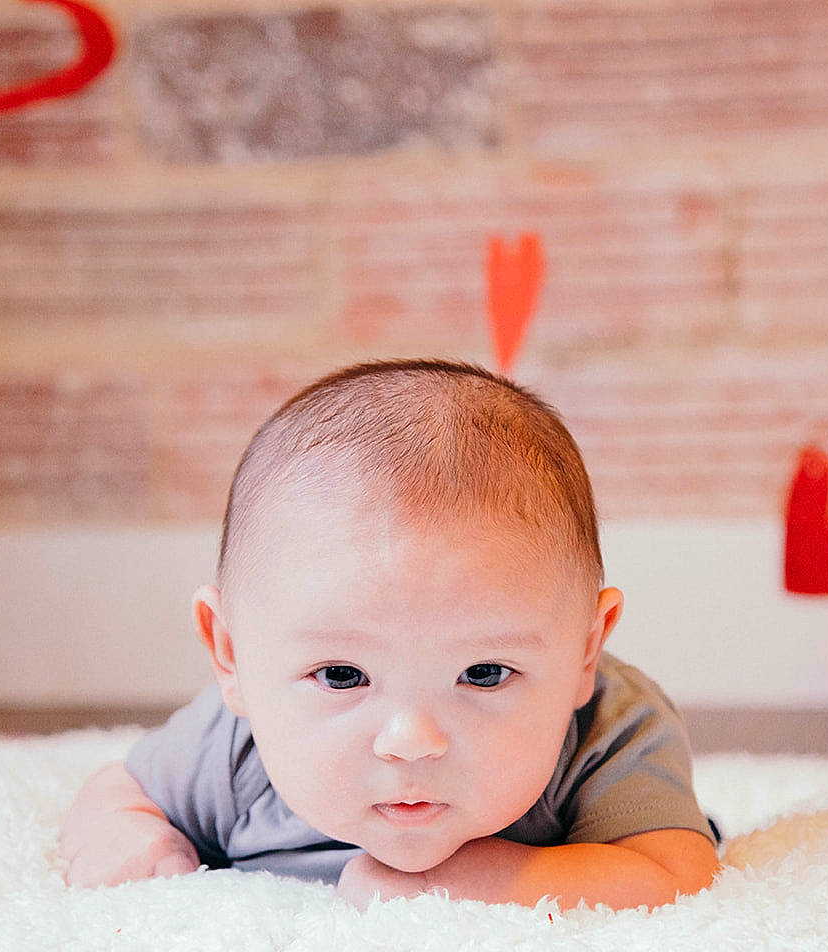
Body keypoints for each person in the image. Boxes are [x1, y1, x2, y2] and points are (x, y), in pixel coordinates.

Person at [59, 359, 720, 909]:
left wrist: (459, 883)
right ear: (231, 655)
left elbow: (675, 872)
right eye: (343, 675)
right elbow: (122, 788)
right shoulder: (233, 745)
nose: (411, 741)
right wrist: (127, 833)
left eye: (484, 672)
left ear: (585, 649)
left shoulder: (612, 729)